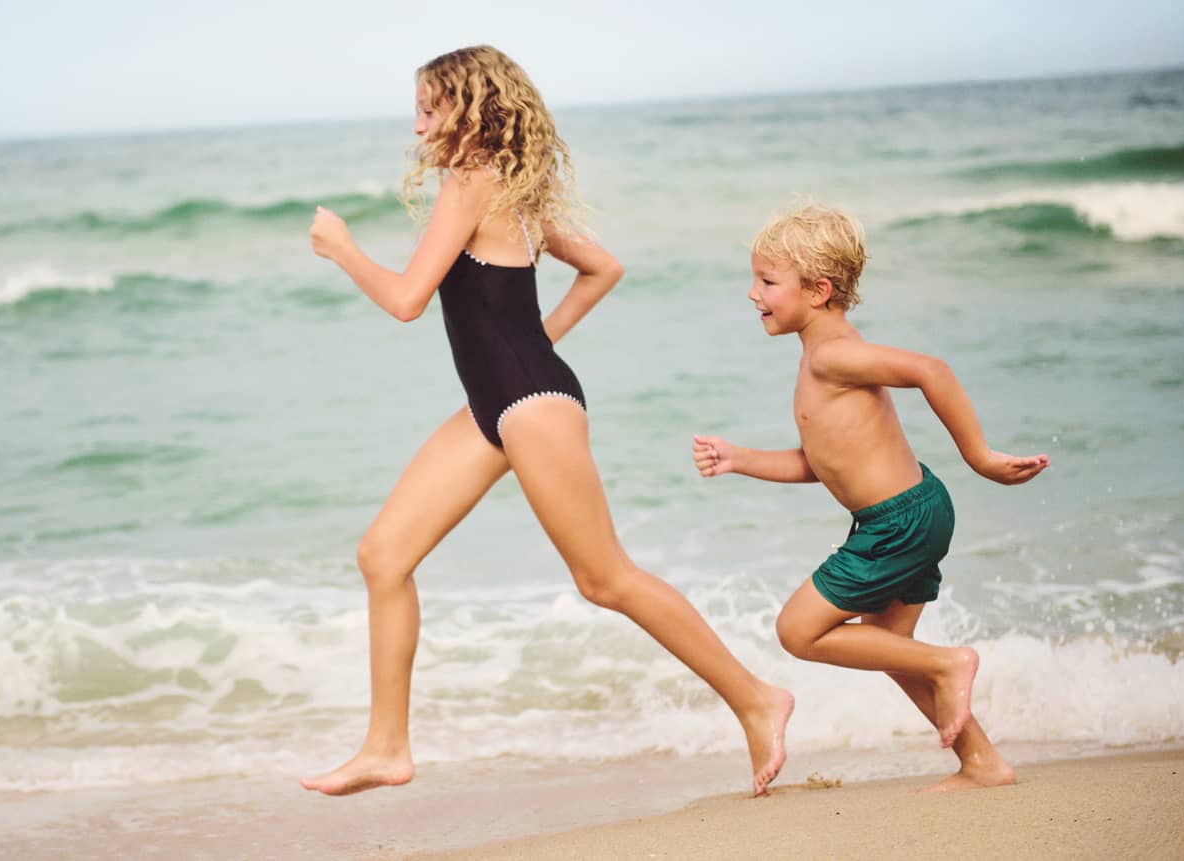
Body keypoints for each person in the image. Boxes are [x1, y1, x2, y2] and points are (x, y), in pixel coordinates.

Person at [303, 45, 793, 798]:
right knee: (384, 555)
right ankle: (386, 746)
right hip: (502, 402)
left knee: (606, 578)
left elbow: (405, 300)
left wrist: (341, 250)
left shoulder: (471, 183)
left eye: (429, 108)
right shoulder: (514, 190)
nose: (417, 124)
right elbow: (603, 267)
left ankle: (758, 697)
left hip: (532, 405)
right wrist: (534, 348)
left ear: (468, 110)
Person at [692, 201, 1049, 791]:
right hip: (908, 511)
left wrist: (980, 457)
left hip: (898, 522)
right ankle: (983, 761)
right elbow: (825, 463)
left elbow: (930, 369)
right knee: (886, 647)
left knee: (799, 631)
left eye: (767, 281)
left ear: (818, 290)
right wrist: (741, 459)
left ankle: (950, 662)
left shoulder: (832, 354)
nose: (753, 293)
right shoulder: (824, 353)